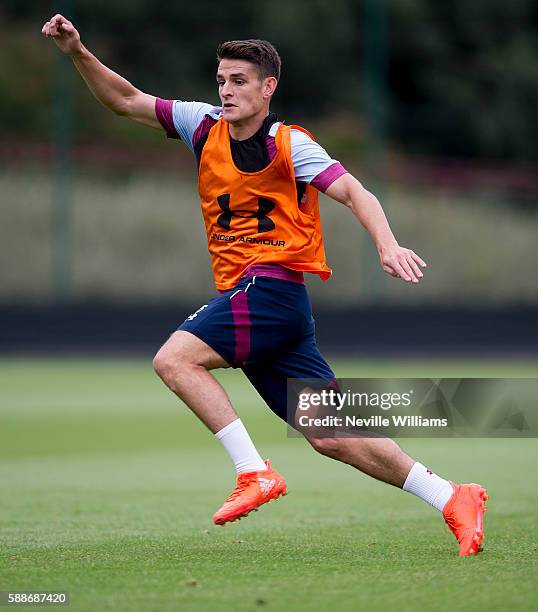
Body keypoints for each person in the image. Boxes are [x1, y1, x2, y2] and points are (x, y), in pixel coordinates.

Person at [42, 14, 487, 556]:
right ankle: (452, 496)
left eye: (239, 81)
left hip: (270, 289)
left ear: (267, 87)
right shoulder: (202, 125)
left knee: (174, 361)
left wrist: (387, 244)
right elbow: (125, 100)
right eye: (222, 81)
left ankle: (253, 471)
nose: (226, 91)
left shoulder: (289, 144)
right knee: (330, 434)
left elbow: (354, 192)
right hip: (268, 303)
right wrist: (77, 51)